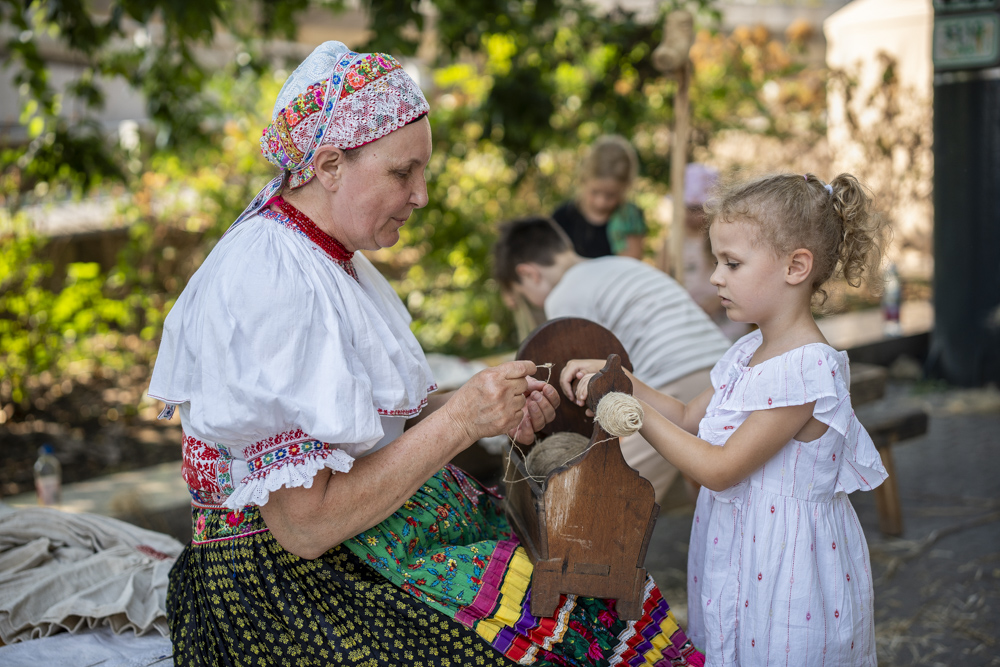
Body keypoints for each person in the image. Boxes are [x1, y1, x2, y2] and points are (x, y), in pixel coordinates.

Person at [149, 41, 705, 667]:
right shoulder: (269, 280)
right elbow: (305, 526)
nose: (421, 196)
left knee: (596, 594)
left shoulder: (327, 258)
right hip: (287, 589)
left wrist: (487, 410)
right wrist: (460, 419)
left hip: (358, 542)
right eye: (401, 173)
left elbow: (360, 424)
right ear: (329, 165)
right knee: (566, 634)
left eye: (423, 173)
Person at [561, 173, 890, 665]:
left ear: (796, 266)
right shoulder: (746, 350)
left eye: (732, 263)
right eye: (717, 261)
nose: (716, 277)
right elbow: (690, 416)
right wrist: (620, 378)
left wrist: (634, 414)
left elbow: (719, 468)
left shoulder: (807, 369)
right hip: (738, 549)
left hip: (786, 568)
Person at [493, 216, 731, 503]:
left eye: (524, 296)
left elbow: (576, 376)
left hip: (673, 381)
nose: (534, 303)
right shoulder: (618, 265)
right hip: (720, 371)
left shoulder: (563, 296)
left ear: (530, 274)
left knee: (604, 501)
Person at [677, 163, 751, 341]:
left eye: (696, 209)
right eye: (687, 208)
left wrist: (715, 302)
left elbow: (738, 274)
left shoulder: (722, 239)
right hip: (688, 317)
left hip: (722, 313)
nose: (690, 214)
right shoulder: (674, 243)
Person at [551, 135, 648, 260]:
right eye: (595, 192)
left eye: (611, 195)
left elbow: (630, 263)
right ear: (583, 180)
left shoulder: (630, 218)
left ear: (625, 188)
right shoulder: (563, 217)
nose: (600, 202)